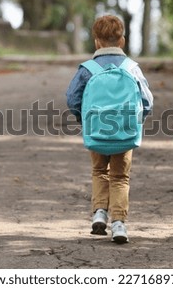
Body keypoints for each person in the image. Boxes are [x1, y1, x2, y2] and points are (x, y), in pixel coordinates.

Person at [66, 15, 153, 244]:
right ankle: (119, 224)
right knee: (120, 176)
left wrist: (85, 120)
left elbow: (72, 98)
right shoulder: (132, 68)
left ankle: (99, 213)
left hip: (96, 132)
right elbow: (147, 101)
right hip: (124, 132)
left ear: (96, 42)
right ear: (122, 40)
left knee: (99, 172)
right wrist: (135, 120)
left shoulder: (88, 69)